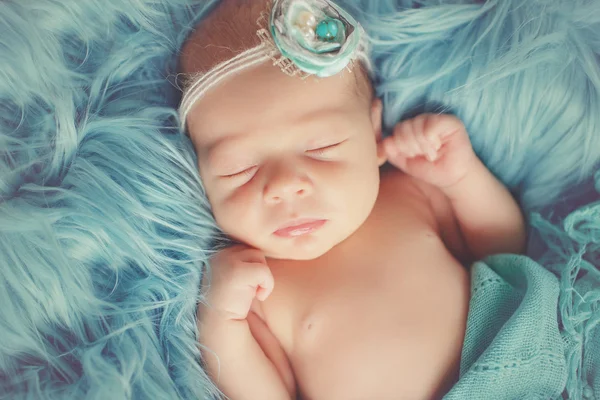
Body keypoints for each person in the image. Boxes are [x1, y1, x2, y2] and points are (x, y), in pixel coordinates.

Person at [178, 0, 526, 398]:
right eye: (239, 169)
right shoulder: (256, 291)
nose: (285, 186)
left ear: (374, 133)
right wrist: (221, 321)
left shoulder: (409, 192)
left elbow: (506, 252)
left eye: (321, 147)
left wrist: (462, 177)